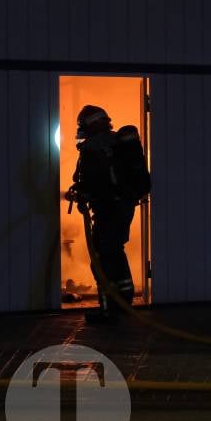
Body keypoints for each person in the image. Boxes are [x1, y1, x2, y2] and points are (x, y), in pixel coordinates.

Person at [67, 104, 147, 321]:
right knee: (113, 253)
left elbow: (96, 183)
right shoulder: (113, 142)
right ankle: (121, 303)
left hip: (109, 209)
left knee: (103, 258)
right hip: (122, 207)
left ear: (90, 125)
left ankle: (110, 310)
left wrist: (84, 195)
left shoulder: (94, 147)